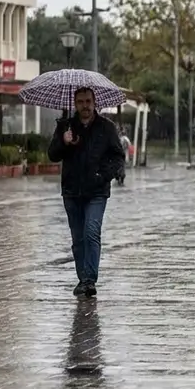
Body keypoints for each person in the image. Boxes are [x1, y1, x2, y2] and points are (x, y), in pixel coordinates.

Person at [47, 87, 126, 298]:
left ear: (94, 103)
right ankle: (83, 279)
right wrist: (63, 142)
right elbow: (53, 155)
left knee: (91, 231)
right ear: (75, 104)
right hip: (72, 191)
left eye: (88, 101)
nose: (85, 106)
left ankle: (90, 279)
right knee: (78, 238)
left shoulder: (106, 128)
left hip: (97, 191)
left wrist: (103, 175)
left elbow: (118, 157)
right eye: (81, 102)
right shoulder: (66, 126)